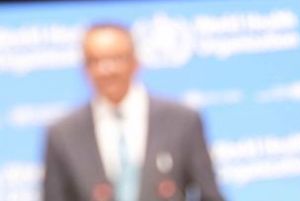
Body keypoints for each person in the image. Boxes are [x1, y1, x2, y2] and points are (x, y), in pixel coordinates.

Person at [43, 24, 224, 201]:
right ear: (85, 68)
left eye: (116, 58)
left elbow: (210, 194)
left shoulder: (182, 121)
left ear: (135, 62)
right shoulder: (63, 133)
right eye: (95, 61)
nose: (106, 69)